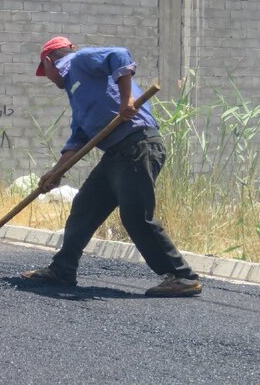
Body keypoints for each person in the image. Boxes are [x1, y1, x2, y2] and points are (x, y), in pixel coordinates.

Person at [22, 36, 202, 297]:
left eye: (45, 72)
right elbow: (79, 138)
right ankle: (62, 269)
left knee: (136, 216)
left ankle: (182, 277)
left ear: (49, 61)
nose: (48, 79)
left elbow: (120, 54)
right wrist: (55, 172)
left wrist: (126, 99)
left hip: (138, 146)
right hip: (117, 154)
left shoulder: (79, 61)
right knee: (85, 207)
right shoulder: (77, 92)